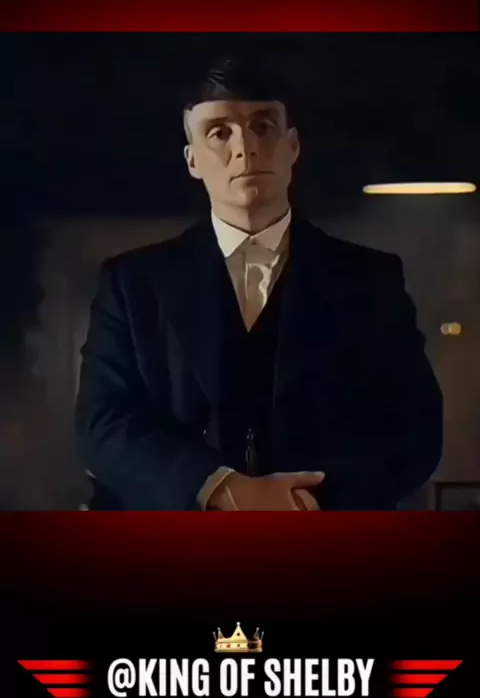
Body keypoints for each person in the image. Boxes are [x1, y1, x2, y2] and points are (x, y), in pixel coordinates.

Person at [75, 56, 443, 510]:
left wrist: (310, 500)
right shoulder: (133, 284)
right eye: (219, 132)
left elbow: (415, 429)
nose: (245, 148)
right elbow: (103, 423)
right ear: (192, 160)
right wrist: (219, 488)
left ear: (293, 146)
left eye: (263, 127)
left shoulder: (371, 279)